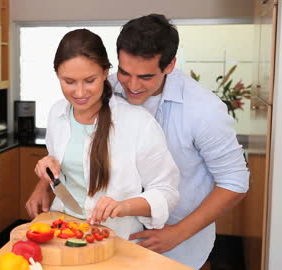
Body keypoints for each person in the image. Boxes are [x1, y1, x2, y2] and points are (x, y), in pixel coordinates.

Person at [105, 14, 249, 269]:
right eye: (125, 72)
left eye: (146, 77)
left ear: (170, 65)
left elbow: (235, 182)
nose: (132, 85)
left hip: (176, 244)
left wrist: (177, 233)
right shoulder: (108, 89)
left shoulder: (204, 110)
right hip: (112, 237)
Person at [27, 28, 180, 240]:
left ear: (105, 71)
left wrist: (123, 206)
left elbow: (166, 191)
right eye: (69, 82)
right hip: (63, 231)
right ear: (57, 76)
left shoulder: (138, 123)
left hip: (116, 239)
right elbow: (65, 165)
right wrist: (45, 176)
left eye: (90, 80)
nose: (79, 93)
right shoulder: (56, 114)